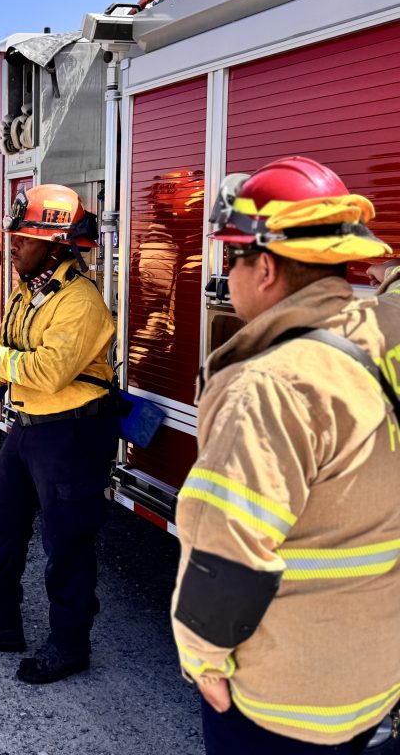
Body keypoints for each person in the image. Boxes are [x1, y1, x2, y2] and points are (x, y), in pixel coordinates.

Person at [169, 156, 399, 753]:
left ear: (265, 267)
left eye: (233, 258)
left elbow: (226, 549)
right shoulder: (387, 333)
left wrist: (202, 658)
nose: (228, 276)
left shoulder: (269, 386)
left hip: (286, 706)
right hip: (376, 681)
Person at [0, 184, 119, 684]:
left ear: (56, 244)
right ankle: (1, 623)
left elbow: (48, 371)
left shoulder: (80, 302)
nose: (14, 245)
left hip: (71, 436)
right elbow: (10, 354)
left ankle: (70, 646)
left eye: (25, 238)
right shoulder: (29, 292)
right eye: (15, 236)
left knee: (66, 544)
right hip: (26, 427)